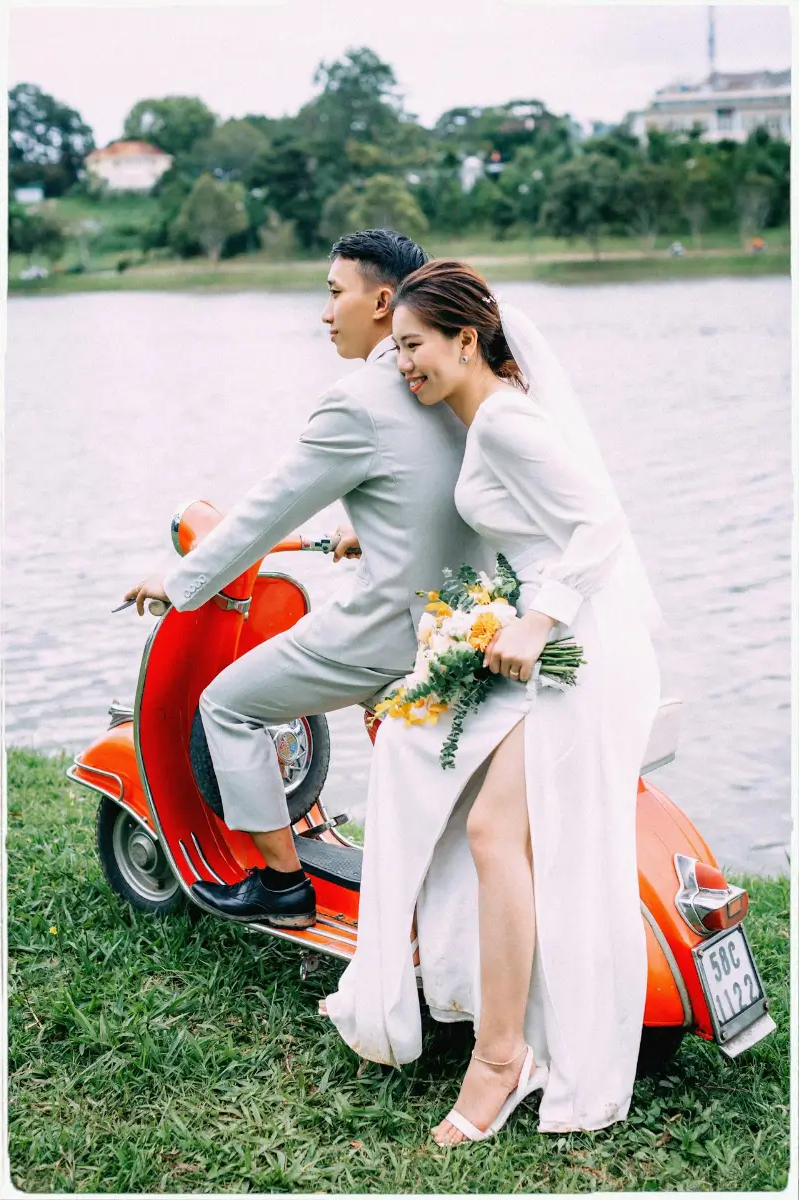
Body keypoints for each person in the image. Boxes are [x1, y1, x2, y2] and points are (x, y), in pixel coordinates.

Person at [322, 260, 662, 1145]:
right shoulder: (486, 416)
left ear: (466, 339)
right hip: (548, 647)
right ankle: (482, 1008)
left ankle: (503, 1057)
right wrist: (370, 535)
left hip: (579, 653)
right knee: (441, 781)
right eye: (396, 350)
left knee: (490, 832)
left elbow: (599, 523)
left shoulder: (506, 422)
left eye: (414, 346)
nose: (404, 365)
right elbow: (512, 522)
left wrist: (538, 619)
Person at [124, 230, 486, 929]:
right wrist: (374, 527)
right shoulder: (453, 378)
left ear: (381, 302)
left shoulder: (358, 401)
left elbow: (267, 510)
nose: (324, 313)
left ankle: (282, 884)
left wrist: (181, 580)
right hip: (465, 619)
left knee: (226, 704)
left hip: (394, 630)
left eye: (333, 293)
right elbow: (441, 486)